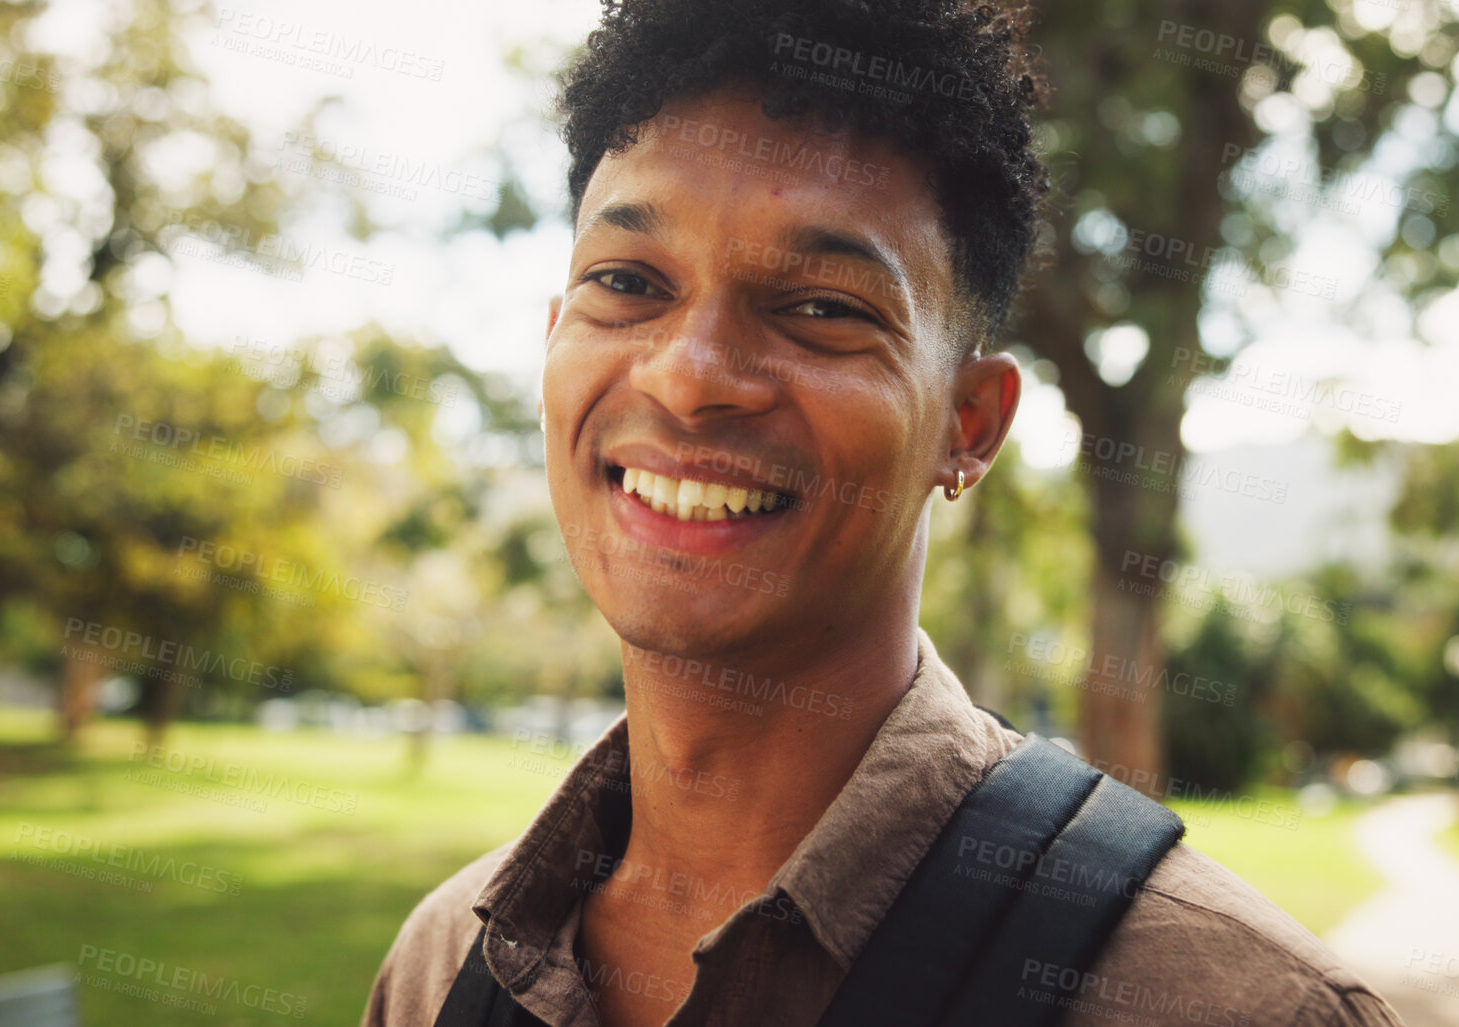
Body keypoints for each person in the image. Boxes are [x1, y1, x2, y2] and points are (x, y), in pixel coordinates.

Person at [364, 1, 1405, 1023]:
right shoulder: (442, 967)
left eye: (822, 308)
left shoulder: (1231, 1003)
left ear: (969, 424)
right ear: (554, 339)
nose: (690, 377)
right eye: (629, 281)